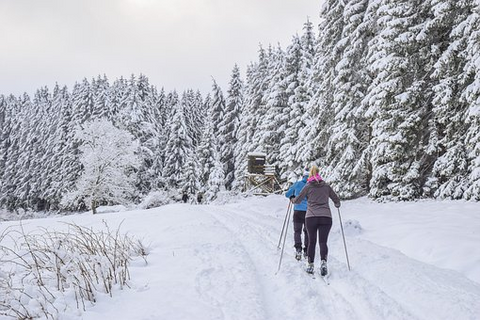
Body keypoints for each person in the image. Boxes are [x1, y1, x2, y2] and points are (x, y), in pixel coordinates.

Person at [292, 165, 340, 276]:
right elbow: (336, 199)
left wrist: (292, 199)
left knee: (312, 242)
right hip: (326, 217)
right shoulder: (326, 186)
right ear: (319, 173)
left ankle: (310, 265)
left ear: (310, 175)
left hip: (311, 217)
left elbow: (298, 200)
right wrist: (337, 204)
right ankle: (323, 262)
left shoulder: (308, 186)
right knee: (323, 242)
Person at [285, 168, 309, 261]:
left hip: (298, 211)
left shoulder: (298, 184)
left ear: (303, 176)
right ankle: (307, 251)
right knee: (307, 232)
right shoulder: (313, 185)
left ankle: (298, 249)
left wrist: (292, 196)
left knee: (297, 231)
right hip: (309, 212)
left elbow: (287, 194)